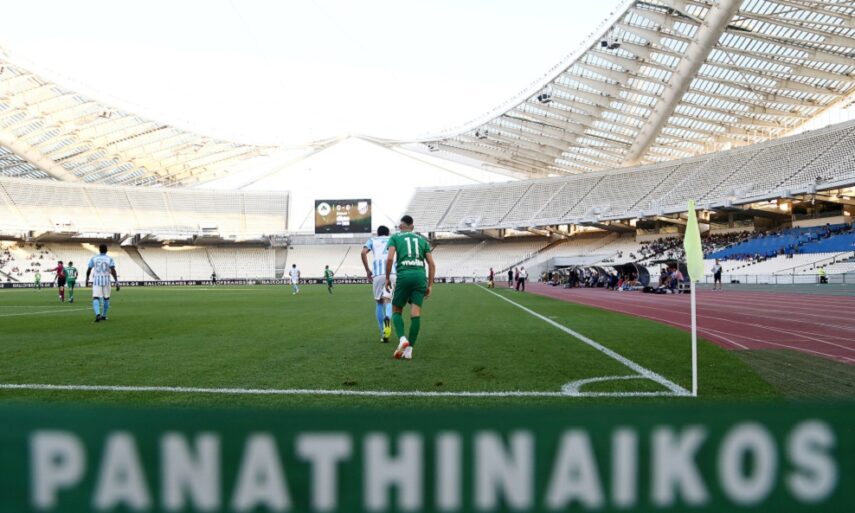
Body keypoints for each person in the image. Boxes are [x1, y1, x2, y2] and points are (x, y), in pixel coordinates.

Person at [385, 215, 435, 360]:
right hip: (420, 276)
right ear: (412, 227)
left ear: (400, 227)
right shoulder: (422, 240)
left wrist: (387, 278)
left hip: (404, 275)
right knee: (416, 313)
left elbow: (390, 258)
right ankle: (409, 350)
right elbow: (432, 264)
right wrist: (430, 285)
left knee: (396, 310)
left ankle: (402, 339)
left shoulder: (395, 237)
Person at [361, 226, 395, 342]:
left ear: (378, 233)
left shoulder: (372, 240)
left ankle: (383, 334)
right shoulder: (393, 239)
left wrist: (367, 270)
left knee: (379, 302)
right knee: (389, 300)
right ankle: (388, 317)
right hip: (392, 272)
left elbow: (363, 252)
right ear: (388, 233)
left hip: (378, 274)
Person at [86, 244, 119, 322]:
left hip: (96, 281)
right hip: (106, 281)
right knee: (106, 298)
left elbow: (89, 269)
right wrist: (116, 281)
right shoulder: (109, 259)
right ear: (106, 250)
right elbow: (113, 270)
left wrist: (87, 278)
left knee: (95, 298)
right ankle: (103, 315)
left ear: (99, 250)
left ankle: (98, 315)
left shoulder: (94, 258)